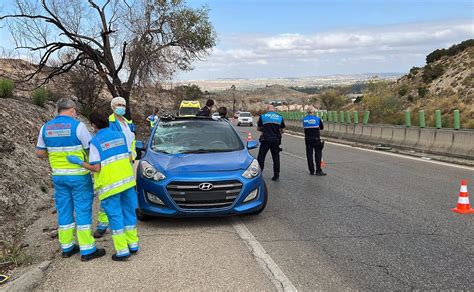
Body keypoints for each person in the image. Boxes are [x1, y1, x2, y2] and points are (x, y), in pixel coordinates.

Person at [35, 98, 106, 261]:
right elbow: (90, 150)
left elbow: (39, 153)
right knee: (82, 210)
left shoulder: (45, 128)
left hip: (59, 177)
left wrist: (55, 154)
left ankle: (67, 247)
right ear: (72, 110)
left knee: (64, 210)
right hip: (79, 177)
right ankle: (87, 249)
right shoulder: (78, 126)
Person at [67, 111, 139, 261]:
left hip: (110, 185)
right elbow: (129, 156)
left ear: (93, 126)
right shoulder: (120, 136)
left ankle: (122, 252)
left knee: (115, 217)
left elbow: (96, 168)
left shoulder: (95, 142)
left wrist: (78, 162)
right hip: (127, 181)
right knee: (129, 213)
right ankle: (133, 245)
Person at [94, 96, 137, 238]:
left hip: (126, 163)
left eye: (123, 105)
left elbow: (132, 142)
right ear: (112, 107)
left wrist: (133, 155)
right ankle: (102, 224)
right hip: (112, 164)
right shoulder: (110, 123)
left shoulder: (128, 123)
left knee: (124, 194)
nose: (121, 107)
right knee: (109, 195)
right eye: (118, 104)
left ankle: (122, 224)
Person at [257, 105, 285, 181]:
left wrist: (265, 130)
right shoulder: (279, 117)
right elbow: (282, 130)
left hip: (265, 139)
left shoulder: (263, 117)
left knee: (261, 157)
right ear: (274, 110)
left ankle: (259, 174)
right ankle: (276, 175)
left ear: (267, 110)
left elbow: (258, 128)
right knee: (276, 158)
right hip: (275, 140)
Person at [303, 106, 326, 176]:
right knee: (318, 154)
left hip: (308, 139)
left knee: (309, 155)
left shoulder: (304, 119)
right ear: (313, 112)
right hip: (316, 139)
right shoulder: (317, 119)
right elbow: (321, 127)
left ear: (307, 112)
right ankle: (318, 171)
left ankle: (311, 171)